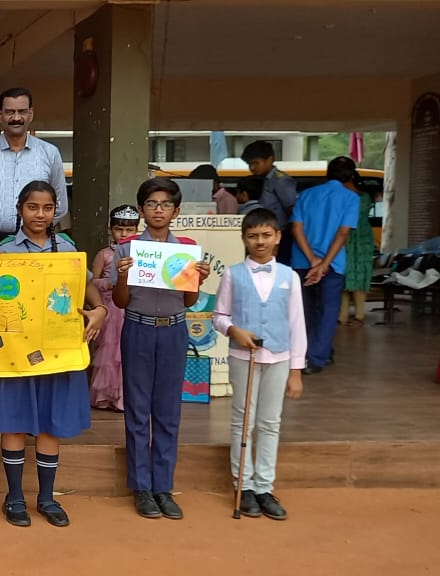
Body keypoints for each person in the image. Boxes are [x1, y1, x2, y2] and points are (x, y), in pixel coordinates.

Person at [0, 181, 108, 528]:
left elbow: (87, 286)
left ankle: (47, 498)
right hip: (16, 353)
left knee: (50, 424)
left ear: (56, 211)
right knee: (14, 421)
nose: (40, 214)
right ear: (19, 210)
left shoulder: (67, 248)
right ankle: (14, 497)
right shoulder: (3, 251)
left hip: (58, 352)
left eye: (48, 208)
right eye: (32, 207)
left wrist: (100, 310)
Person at [113, 177, 210, 520]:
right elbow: (120, 302)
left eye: (166, 204)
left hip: (174, 331)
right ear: (142, 210)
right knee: (138, 409)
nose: (159, 210)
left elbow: (189, 301)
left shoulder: (186, 249)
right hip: (138, 327)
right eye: (152, 204)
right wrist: (122, 276)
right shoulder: (127, 249)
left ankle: (163, 487)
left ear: (176, 211)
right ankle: (142, 487)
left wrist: (199, 279)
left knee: (168, 411)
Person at [212, 207, 306, 521]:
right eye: (253, 236)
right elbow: (219, 316)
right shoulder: (233, 274)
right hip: (244, 358)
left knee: (270, 422)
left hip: (279, 358)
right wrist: (233, 330)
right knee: (243, 421)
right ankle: (244, 485)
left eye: (266, 235)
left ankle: (265, 486)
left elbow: (297, 324)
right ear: (244, 239)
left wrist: (296, 371)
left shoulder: (289, 276)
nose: (260, 241)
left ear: (278, 237)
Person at [0, 87, 68, 246]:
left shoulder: (50, 153)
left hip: (34, 241)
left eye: (22, 112)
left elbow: (60, 204)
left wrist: (37, 228)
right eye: (10, 112)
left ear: (30, 114)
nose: (16, 118)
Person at [290, 157, 360, 375]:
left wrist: (312, 260)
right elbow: (343, 232)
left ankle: (306, 354)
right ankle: (316, 358)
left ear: (327, 172)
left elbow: (296, 228)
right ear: (351, 176)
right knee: (328, 311)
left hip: (302, 261)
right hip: (333, 264)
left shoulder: (306, 195)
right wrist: (324, 264)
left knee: (305, 310)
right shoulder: (351, 198)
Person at [89, 205, 139, 412]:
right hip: (111, 308)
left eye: (129, 230)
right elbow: (92, 281)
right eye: (119, 229)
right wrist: (108, 284)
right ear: (110, 229)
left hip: (132, 307)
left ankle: (124, 399)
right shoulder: (105, 254)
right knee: (110, 352)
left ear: (137, 230)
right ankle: (104, 396)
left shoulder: (140, 254)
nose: (124, 234)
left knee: (129, 353)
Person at [241, 141, 298, 264]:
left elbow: (292, 210)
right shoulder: (263, 180)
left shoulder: (280, 180)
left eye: (256, 163)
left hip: (280, 237)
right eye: (249, 164)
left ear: (270, 159)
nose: (252, 168)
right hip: (263, 235)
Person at [340, 178, 375, 326]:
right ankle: (343, 315)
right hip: (349, 238)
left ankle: (359, 316)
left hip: (358, 239)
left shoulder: (361, 198)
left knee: (358, 277)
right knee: (344, 277)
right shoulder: (356, 197)